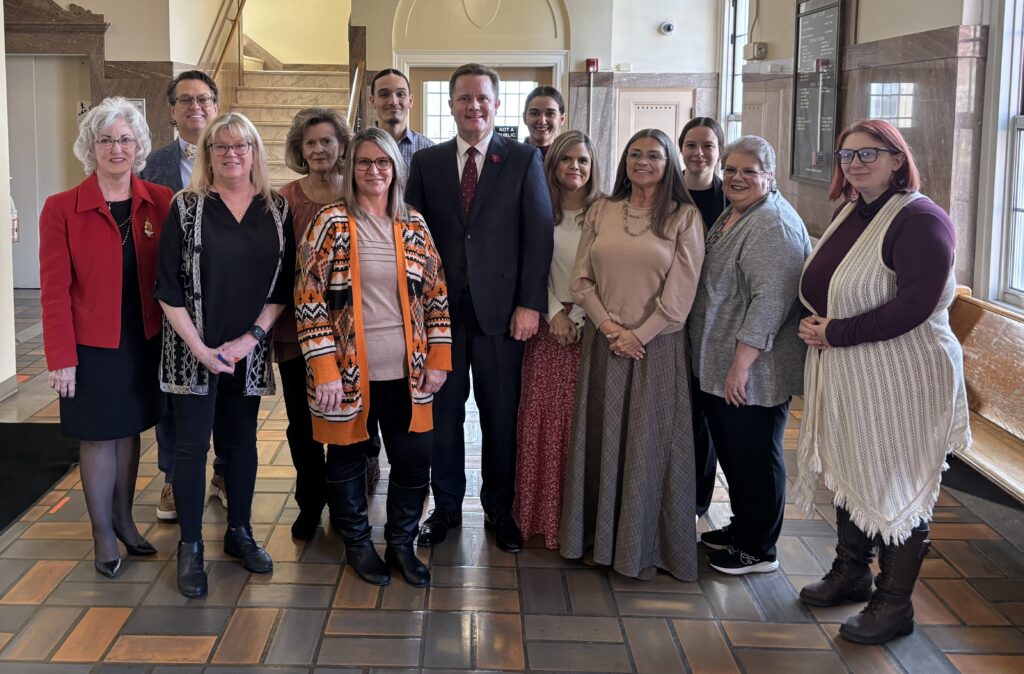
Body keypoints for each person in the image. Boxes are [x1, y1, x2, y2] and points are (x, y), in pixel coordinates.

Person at [795, 119, 971, 645]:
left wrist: (836, 332)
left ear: (898, 159)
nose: (856, 163)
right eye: (847, 155)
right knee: (855, 464)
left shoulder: (920, 220)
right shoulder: (853, 210)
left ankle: (894, 604)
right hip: (856, 371)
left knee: (897, 482)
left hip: (906, 374)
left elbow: (914, 306)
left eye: (869, 153)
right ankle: (852, 572)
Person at [407, 63, 554, 553]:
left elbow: (538, 237)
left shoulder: (522, 160)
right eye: (465, 98)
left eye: (482, 98)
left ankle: (500, 508)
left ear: (496, 104)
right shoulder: (426, 163)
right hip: (441, 317)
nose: (474, 106)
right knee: (444, 417)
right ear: (451, 106)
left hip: (503, 316)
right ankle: (446, 506)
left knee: (500, 415)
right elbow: (412, 240)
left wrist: (529, 304)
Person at [295, 128, 452, 586]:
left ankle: (401, 544)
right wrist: (323, 366)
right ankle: (358, 545)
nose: (374, 170)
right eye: (364, 162)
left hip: (410, 371)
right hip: (345, 373)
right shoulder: (330, 222)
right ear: (351, 169)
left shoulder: (414, 224)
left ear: (396, 168)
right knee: (346, 457)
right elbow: (307, 295)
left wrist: (439, 357)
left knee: (414, 457)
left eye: (383, 162)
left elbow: (437, 293)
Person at [155, 112, 295, 597]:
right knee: (192, 447)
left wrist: (251, 338)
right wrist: (200, 348)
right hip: (191, 348)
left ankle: (239, 532)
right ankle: (190, 545)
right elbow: (167, 287)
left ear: (255, 152)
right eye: (221, 147)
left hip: (247, 351)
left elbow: (282, 287)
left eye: (241, 146)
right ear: (208, 154)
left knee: (240, 445)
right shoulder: (186, 206)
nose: (232, 154)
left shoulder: (277, 208)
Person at [559, 128, 705, 580]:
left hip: (655, 349)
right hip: (603, 344)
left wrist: (638, 335)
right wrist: (608, 327)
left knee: (648, 445)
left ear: (669, 163)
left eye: (654, 155)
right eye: (635, 154)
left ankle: (638, 547)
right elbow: (580, 279)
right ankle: (595, 540)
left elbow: (681, 295)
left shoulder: (684, 217)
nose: (643, 162)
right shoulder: (602, 209)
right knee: (601, 441)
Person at [40, 96, 172, 577]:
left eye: (125, 139)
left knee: (130, 430)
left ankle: (125, 521)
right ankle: (102, 534)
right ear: (89, 146)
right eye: (105, 140)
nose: (117, 148)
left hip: (143, 338)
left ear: (139, 145)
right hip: (89, 345)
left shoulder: (160, 200)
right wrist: (60, 356)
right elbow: (54, 290)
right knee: (99, 436)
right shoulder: (61, 208)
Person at [689, 135, 811, 576]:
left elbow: (769, 304)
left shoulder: (772, 226)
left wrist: (740, 367)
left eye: (749, 171)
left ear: (770, 176)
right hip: (723, 359)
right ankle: (743, 527)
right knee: (735, 454)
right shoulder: (737, 211)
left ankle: (759, 549)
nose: (736, 178)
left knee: (756, 456)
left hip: (755, 369)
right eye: (730, 170)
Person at [140, 69, 224, 522]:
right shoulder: (152, 165)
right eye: (186, 100)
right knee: (172, 393)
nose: (196, 106)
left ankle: (225, 473)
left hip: (226, 296)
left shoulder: (237, 154)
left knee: (228, 393)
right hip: (173, 300)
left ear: (216, 106)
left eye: (204, 98)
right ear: (171, 111)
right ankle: (172, 476)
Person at [514, 130, 601, 549]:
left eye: (582, 160)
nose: (574, 167)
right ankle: (542, 517)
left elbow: (609, 272)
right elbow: (528, 266)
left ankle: (582, 523)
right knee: (544, 422)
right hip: (547, 327)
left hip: (592, 326)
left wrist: (580, 315)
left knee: (583, 424)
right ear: (552, 164)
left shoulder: (605, 213)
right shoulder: (537, 209)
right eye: (566, 159)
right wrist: (555, 314)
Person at [275, 107, 352, 540]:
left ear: (342, 146)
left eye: (327, 141)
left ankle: (344, 501)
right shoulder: (285, 199)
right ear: (300, 150)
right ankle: (310, 500)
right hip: (295, 330)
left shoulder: (358, 192)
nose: (319, 149)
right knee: (302, 425)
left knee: (346, 420)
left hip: (351, 332)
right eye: (310, 143)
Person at [677, 116, 728, 518]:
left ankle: (696, 497)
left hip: (712, 319)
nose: (699, 153)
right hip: (666, 314)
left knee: (702, 413)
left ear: (719, 151)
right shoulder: (666, 191)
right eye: (691, 145)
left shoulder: (732, 199)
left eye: (707, 146)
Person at [370, 68, 434, 170]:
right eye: (384, 94)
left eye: (400, 94)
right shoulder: (357, 147)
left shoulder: (429, 149)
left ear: (410, 101)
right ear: (373, 101)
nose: (393, 101)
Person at [522, 86, 566, 157]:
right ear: (524, 118)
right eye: (534, 114)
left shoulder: (569, 159)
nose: (542, 121)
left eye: (550, 114)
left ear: (562, 119)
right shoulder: (511, 158)